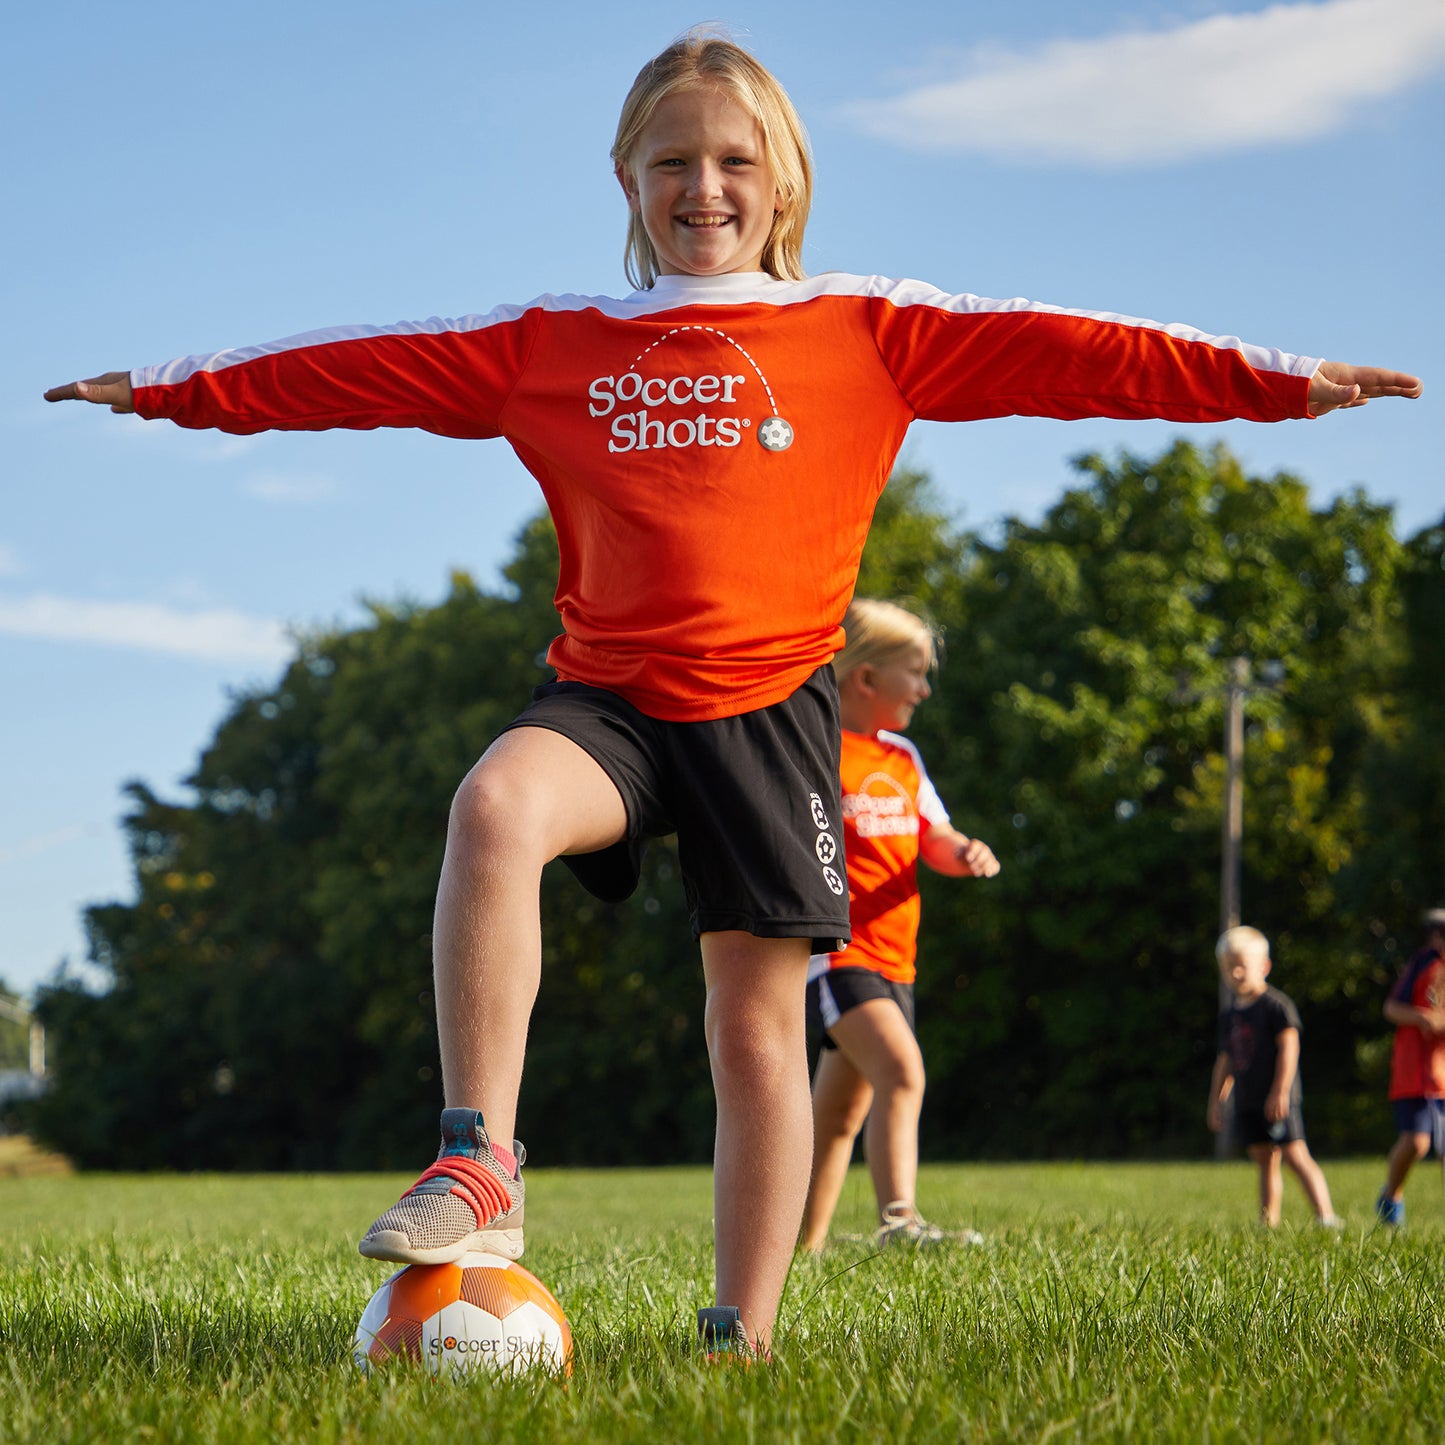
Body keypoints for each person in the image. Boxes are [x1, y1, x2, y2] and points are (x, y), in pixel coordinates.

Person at [46, 31, 1418, 1355]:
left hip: (768, 717)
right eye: (669, 163)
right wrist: (174, 390)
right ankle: (478, 1164)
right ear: (627, 182)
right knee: (492, 806)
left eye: (733, 162)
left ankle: (740, 1339)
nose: (703, 188)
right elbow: (354, 372)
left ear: (786, 182)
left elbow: (1078, 356)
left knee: (754, 1028)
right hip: (610, 702)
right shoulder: (555, 343)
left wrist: (1280, 384)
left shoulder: (870, 331)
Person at [800, 599, 997, 1252]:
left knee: (837, 1118)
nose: (924, 688)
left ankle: (798, 1246)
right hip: (840, 955)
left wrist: (963, 851)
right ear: (865, 678)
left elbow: (931, 835)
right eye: (914, 673)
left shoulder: (904, 756)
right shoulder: (814, 747)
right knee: (903, 1073)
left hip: (896, 960)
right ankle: (900, 1223)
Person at [1206, 926, 1340, 1228]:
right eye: (1229, 967)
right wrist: (1217, 1101)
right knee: (1265, 1160)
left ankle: (1326, 1216)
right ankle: (1269, 1222)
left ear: (1264, 967)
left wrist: (1280, 1091)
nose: (1235, 973)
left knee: (1295, 1155)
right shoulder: (1230, 1015)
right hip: (1248, 1100)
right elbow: (1225, 1061)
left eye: (1242, 965)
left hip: (1279, 1099)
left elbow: (1289, 1048)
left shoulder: (1276, 1006)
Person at [1375, 908, 1445, 1227]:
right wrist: (1420, 1017)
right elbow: (1391, 1008)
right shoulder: (1423, 964)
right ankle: (1391, 1196)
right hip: (1416, 1071)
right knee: (1417, 1141)